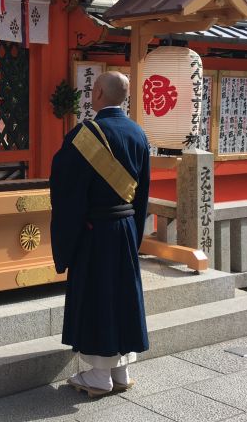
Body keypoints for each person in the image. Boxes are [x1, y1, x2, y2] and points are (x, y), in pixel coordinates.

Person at [49, 71, 150, 397]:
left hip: (94, 232)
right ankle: (120, 370)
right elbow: (143, 193)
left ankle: (98, 376)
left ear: (97, 94)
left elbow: (66, 191)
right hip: (125, 229)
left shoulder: (84, 135)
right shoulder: (138, 133)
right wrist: (135, 234)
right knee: (121, 296)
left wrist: (69, 236)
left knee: (98, 298)